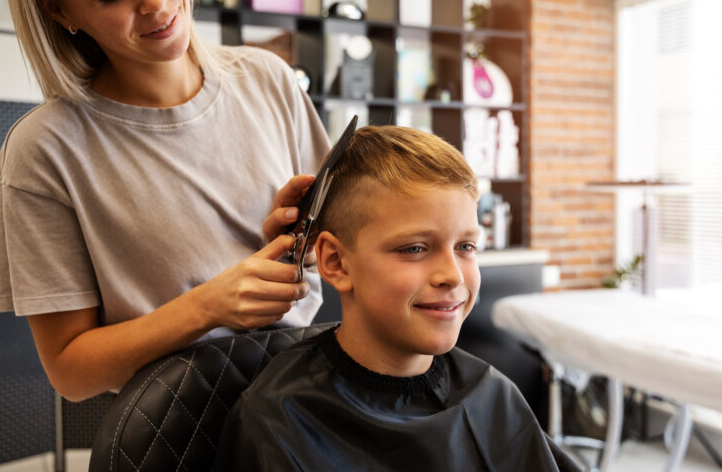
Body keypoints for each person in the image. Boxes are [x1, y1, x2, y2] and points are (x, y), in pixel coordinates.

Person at [0, 0, 330, 402]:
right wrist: (206, 307)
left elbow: (347, 253)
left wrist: (303, 237)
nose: (154, 0)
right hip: (183, 434)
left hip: (305, 403)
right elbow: (70, 373)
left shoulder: (270, 79)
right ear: (59, 11)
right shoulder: (44, 149)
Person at [214, 125, 579, 471]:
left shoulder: (492, 395)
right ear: (336, 262)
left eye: (466, 246)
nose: (452, 275)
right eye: (415, 248)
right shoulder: (279, 421)